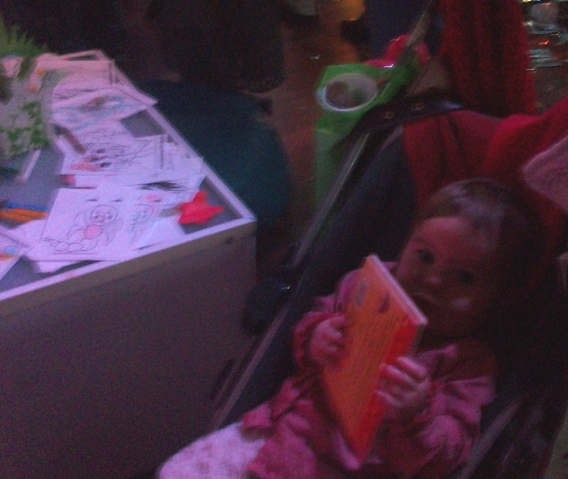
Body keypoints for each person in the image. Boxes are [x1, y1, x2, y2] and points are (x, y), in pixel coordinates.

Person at [157, 178, 545, 479]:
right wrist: (318, 336)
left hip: (357, 470)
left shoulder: (468, 364)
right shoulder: (368, 286)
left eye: (463, 277)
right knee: (178, 471)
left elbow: (452, 449)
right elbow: (310, 322)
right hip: (285, 431)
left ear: (496, 300)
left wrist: (418, 414)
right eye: (425, 256)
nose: (433, 280)